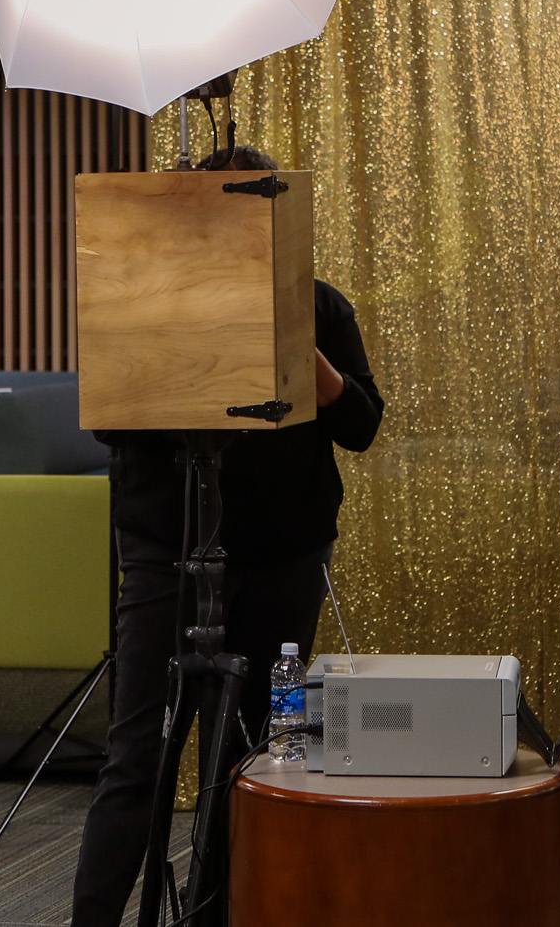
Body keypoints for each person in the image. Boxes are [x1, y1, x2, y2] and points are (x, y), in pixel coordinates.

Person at [70, 144, 385, 927]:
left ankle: (219, 914)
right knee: (138, 758)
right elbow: (110, 420)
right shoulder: (147, 297)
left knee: (255, 753)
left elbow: (364, 426)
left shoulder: (322, 306)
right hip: (166, 558)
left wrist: (305, 356)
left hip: (285, 560)